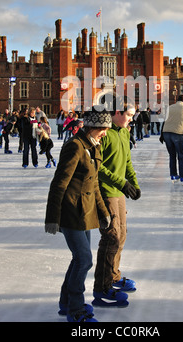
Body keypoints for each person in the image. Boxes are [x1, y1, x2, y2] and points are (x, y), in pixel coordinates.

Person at [45, 107, 112, 323]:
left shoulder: (94, 147)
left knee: (79, 259)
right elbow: (59, 184)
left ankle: (66, 302)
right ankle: (75, 309)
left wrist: (103, 213)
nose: (105, 133)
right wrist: (52, 217)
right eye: (103, 129)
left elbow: (95, 185)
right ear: (93, 127)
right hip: (71, 212)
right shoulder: (74, 147)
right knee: (84, 260)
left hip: (86, 213)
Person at [92, 96, 141, 308]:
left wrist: (134, 183)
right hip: (106, 191)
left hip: (119, 192)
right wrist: (121, 183)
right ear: (117, 113)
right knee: (111, 237)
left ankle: (113, 276)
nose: (131, 119)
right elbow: (98, 167)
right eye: (129, 115)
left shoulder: (123, 132)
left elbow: (127, 161)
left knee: (121, 236)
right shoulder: (105, 133)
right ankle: (102, 288)